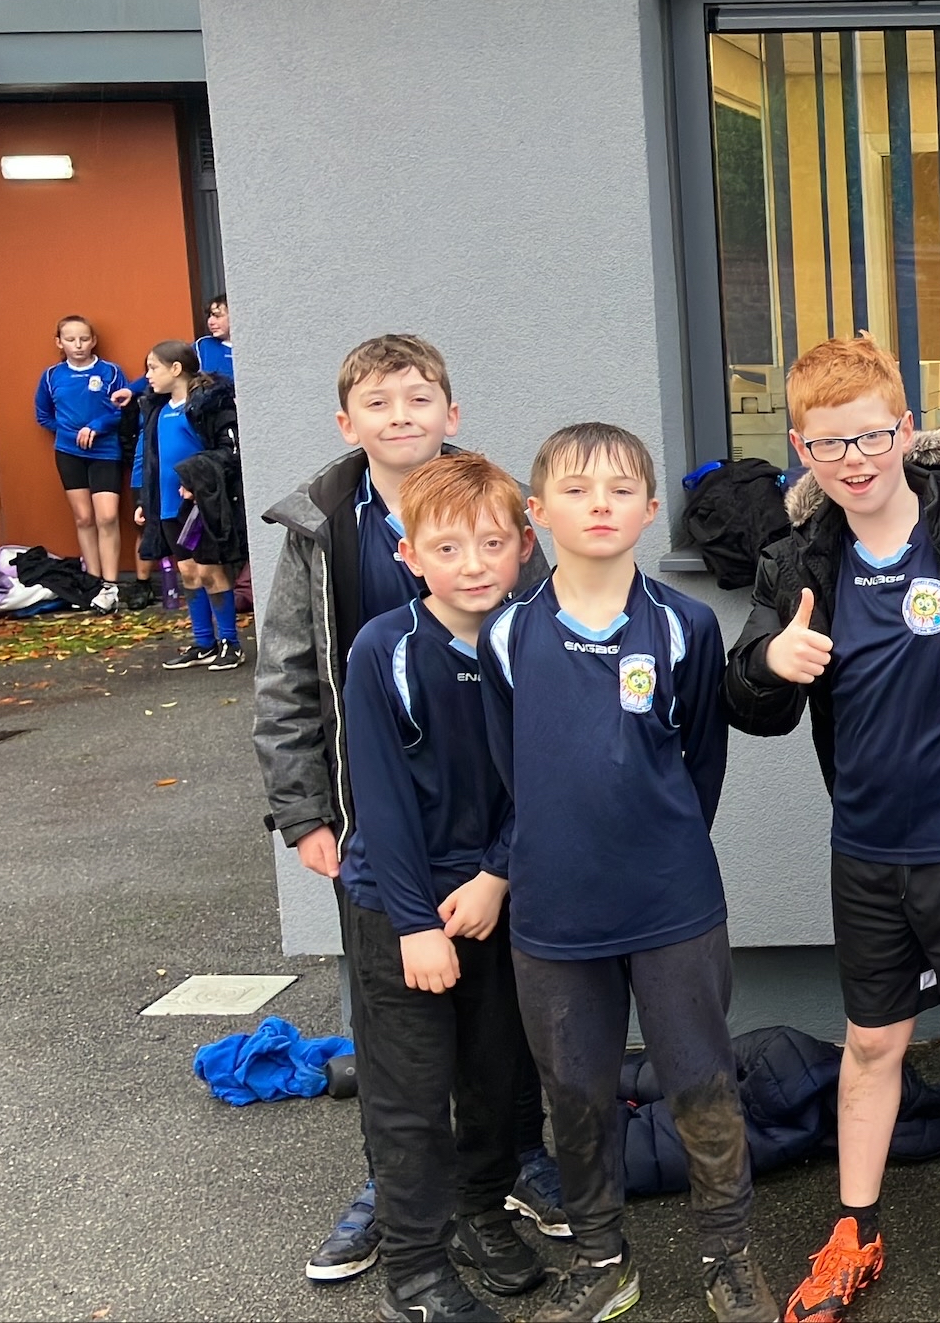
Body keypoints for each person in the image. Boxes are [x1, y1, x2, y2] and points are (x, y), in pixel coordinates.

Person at [727, 335, 940, 1323]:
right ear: (801, 448)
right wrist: (768, 665)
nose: (855, 459)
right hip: (867, 850)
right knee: (870, 1043)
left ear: (906, 429)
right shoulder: (798, 558)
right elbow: (749, 699)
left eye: (872, 435)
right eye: (830, 443)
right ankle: (853, 1233)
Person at [254, 334, 564, 1285]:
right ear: (348, 424)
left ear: (450, 414)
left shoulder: (493, 509)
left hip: (495, 828)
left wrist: (511, 854)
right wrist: (303, 809)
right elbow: (286, 676)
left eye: (418, 399)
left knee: (500, 1023)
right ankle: (393, 1195)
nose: (401, 417)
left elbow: (547, 654)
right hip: (375, 815)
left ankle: (505, 1171)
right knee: (398, 1029)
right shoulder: (324, 529)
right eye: (379, 404)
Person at [483, 422, 774, 1323]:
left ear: (650, 511)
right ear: (537, 513)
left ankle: (727, 1254)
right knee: (575, 1092)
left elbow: (700, 764)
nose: (599, 506)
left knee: (701, 1081)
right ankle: (602, 1260)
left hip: (670, 901)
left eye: (619, 490)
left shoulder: (684, 625)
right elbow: (508, 769)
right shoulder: (507, 633)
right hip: (554, 910)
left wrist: (659, 844)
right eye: (576, 490)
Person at [339, 452, 546, 1323]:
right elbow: (378, 800)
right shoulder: (383, 649)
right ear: (409, 554)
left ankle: (480, 1213)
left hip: (497, 897)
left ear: (524, 546)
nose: (473, 565)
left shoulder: (536, 642)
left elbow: (542, 781)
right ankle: (416, 1271)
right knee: (412, 1095)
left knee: (498, 1077)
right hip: (400, 905)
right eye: (448, 548)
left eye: (492, 544)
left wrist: (497, 873)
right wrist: (415, 924)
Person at [129, 341, 243, 671]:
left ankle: (230, 643)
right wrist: (145, 500)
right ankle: (203, 642)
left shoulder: (207, 405)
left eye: (153, 368)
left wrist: (197, 481)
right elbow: (151, 459)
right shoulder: (157, 410)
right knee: (189, 572)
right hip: (167, 507)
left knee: (210, 570)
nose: (148, 376)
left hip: (198, 507)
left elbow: (229, 452)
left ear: (176, 369)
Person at [33, 314, 132, 611]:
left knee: (107, 516)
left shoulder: (110, 372)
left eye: (84, 339)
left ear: (93, 341)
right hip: (69, 453)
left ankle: (111, 585)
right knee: (84, 518)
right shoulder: (52, 376)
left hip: (105, 451)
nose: (78, 345)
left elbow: (124, 410)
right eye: (70, 339)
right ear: (59, 342)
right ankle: (93, 582)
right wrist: (68, 432)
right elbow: (43, 415)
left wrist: (97, 427)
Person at [197, 294, 236, 383]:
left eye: (217, 316)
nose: (210, 322)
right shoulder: (203, 346)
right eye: (209, 316)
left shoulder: (253, 347)